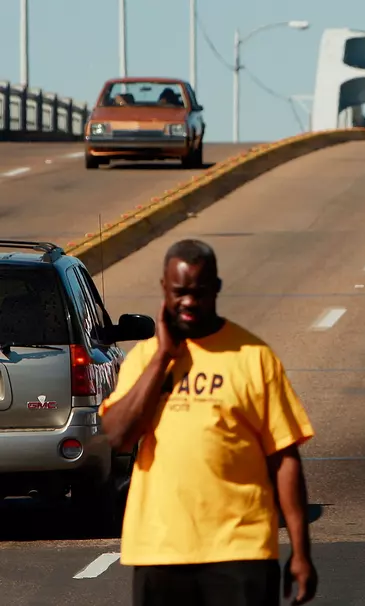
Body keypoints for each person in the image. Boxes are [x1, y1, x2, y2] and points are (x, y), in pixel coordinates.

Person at [99, 239, 317, 606]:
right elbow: (119, 437)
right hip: (160, 550)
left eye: (198, 293)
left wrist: (300, 550)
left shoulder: (253, 358)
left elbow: (284, 458)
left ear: (215, 289)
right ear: (164, 289)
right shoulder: (144, 360)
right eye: (179, 292)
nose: (188, 302)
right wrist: (164, 357)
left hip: (240, 548)